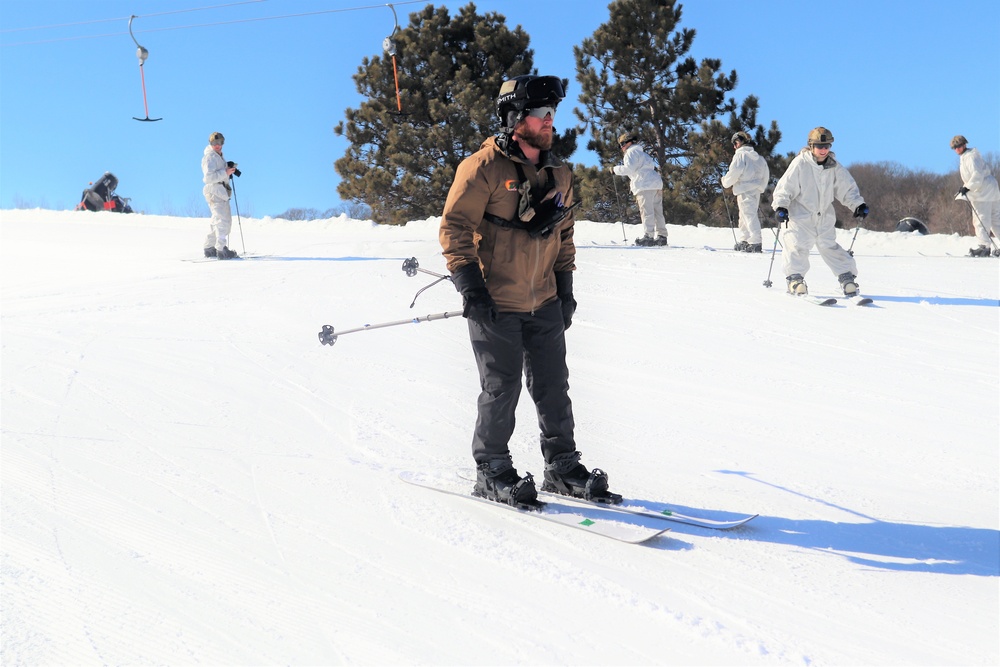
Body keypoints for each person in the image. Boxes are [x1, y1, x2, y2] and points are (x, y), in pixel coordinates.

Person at [439, 74, 620, 509]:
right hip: (496, 301)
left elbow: (566, 234)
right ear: (516, 118)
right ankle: (492, 468)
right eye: (542, 114)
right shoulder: (482, 168)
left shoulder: (559, 172)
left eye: (553, 114)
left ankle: (561, 465)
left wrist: (566, 287)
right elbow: (454, 229)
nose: (550, 122)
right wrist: (470, 287)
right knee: (501, 388)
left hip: (544, 301)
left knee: (554, 386)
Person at [771, 127, 869, 296]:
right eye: (819, 146)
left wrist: (857, 204)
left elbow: (846, 188)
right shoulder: (800, 163)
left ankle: (846, 278)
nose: (823, 150)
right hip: (800, 215)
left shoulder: (834, 167)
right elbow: (785, 187)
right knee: (796, 246)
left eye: (827, 146)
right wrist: (781, 206)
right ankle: (795, 279)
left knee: (829, 247)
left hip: (824, 216)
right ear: (811, 146)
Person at [612, 131, 668, 246]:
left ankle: (649, 236)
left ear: (628, 143)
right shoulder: (644, 154)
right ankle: (662, 236)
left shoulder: (630, 153)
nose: (621, 147)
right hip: (656, 183)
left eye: (622, 144)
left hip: (644, 184)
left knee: (647, 211)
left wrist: (615, 169)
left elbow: (629, 169)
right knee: (657, 211)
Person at [951, 135, 1000, 257]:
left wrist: (968, 187)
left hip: (982, 191)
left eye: (958, 146)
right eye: (954, 147)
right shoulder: (967, 156)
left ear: (964, 145)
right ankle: (985, 245)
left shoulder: (970, 157)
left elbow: (977, 175)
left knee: (980, 218)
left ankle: (984, 247)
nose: (957, 149)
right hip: (989, 188)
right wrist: (965, 187)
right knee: (995, 220)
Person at [721, 131, 770, 252]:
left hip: (744, 189)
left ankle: (755, 241)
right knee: (744, 216)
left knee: (748, 215)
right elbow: (766, 174)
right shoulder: (759, 158)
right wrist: (760, 187)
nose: (734, 146)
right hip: (755, 190)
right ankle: (745, 239)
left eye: (735, 143)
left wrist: (725, 181)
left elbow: (734, 172)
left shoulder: (740, 155)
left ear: (740, 142)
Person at [201, 132, 239, 259]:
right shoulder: (209, 157)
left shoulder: (218, 156)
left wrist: (227, 168)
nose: (217, 145)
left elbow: (218, 172)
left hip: (219, 191)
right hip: (215, 190)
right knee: (223, 220)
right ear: (210, 143)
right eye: (214, 143)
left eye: (220, 143)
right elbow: (208, 177)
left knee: (216, 220)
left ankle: (209, 246)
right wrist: (225, 172)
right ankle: (221, 249)